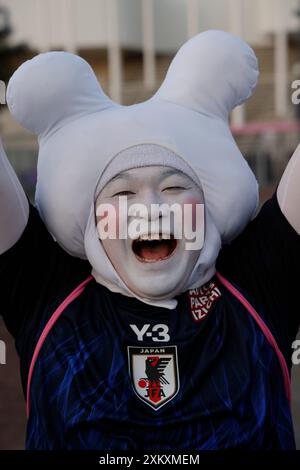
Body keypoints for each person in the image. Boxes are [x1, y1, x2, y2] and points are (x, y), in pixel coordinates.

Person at [0, 30, 300, 450]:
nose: (152, 208)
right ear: (92, 219)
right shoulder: (47, 293)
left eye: (175, 188)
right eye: (123, 194)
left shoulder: (258, 283)